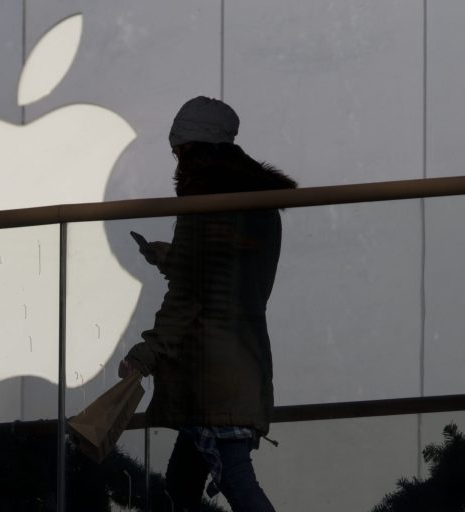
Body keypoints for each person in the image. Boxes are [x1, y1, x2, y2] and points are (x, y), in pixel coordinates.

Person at [118, 97, 297, 512]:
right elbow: (225, 276)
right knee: (179, 489)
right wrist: (172, 257)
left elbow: (189, 297)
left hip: (209, 374)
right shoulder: (256, 203)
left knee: (235, 482)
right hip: (244, 360)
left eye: (178, 149)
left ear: (192, 148)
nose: (176, 159)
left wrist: (144, 355)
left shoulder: (205, 203)